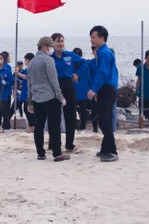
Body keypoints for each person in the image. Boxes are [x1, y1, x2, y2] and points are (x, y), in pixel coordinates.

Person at [27, 36, 69, 162]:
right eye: (50, 47)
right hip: (50, 98)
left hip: (37, 98)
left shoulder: (32, 62)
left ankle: (40, 153)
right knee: (54, 126)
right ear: (44, 47)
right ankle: (57, 153)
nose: (52, 49)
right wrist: (61, 97)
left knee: (38, 126)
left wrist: (29, 101)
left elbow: (30, 83)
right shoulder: (48, 60)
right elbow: (53, 80)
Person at [50, 33, 87, 153]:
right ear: (52, 43)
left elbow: (83, 62)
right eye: (57, 41)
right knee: (54, 117)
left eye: (62, 41)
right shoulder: (50, 59)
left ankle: (69, 144)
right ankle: (54, 144)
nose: (60, 43)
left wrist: (77, 74)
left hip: (69, 86)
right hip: (55, 86)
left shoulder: (70, 55)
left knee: (70, 117)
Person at [88, 26, 119, 162]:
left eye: (93, 37)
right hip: (106, 89)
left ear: (101, 37)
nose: (91, 40)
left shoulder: (105, 53)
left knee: (104, 121)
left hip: (107, 89)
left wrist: (94, 89)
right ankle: (104, 149)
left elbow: (103, 73)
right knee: (104, 120)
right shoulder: (102, 52)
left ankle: (112, 151)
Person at [73, 48, 95, 132]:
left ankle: (74, 125)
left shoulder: (72, 65)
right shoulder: (85, 65)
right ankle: (82, 126)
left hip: (74, 90)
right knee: (83, 110)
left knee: (73, 110)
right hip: (84, 91)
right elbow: (89, 78)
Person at [14, 53, 36, 132]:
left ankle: (33, 125)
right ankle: (31, 125)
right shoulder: (28, 68)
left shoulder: (32, 68)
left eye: (25, 60)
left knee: (28, 109)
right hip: (25, 91)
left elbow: (27, 77)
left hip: (30, 92)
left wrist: (18, 73)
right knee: (27, 109)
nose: (25, 62)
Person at [136, 50, 149, 128]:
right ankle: (140, 127)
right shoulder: (140, 68)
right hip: (143, 93)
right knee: (141, 112)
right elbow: (138, 80)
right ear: (145, 58)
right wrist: (136, 91)